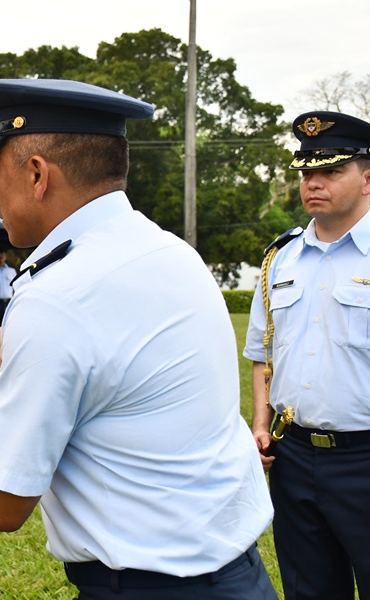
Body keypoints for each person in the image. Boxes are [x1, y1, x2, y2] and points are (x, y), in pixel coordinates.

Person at [0, 78, 278, 600]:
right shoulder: (165, 251)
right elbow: (48, 353)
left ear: (38, 174)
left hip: (145, 586)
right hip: (236, 575)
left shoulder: (61, 294)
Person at [245, 111, 370, 600]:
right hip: (294, 455)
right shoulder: (281, 258)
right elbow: (263, 353)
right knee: (308, 590)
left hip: (365, 457)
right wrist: (261, 422)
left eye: (331, 171)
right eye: (306, 172)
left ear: (367, 177)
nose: (313, 183)